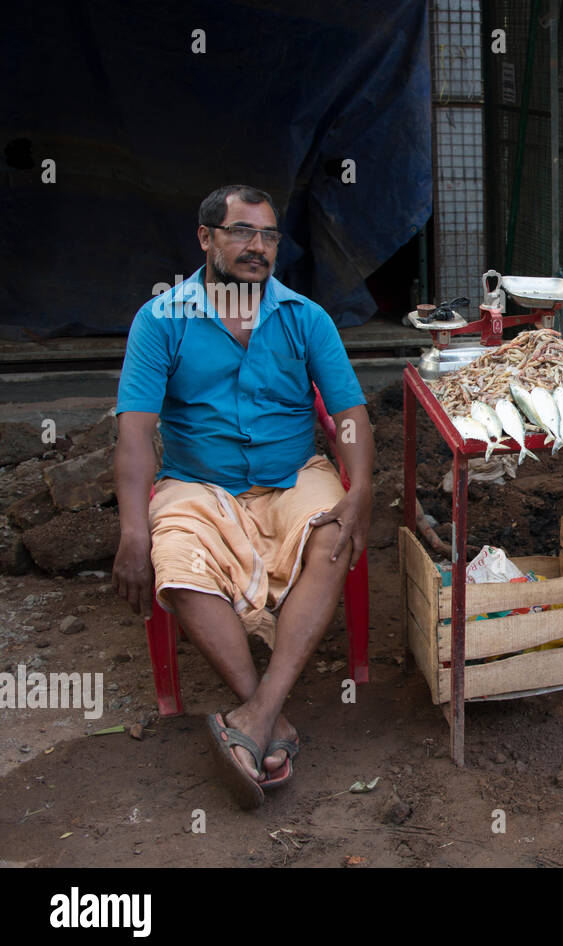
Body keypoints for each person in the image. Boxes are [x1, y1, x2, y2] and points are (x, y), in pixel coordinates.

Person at [112, 185, 374, 809]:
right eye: (241, 232)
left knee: (333, 533)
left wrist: (361, 484)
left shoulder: (306, 317)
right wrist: (131, 529)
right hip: (197, 481)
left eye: (268, 236)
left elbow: (350, 415)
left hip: (292, 472)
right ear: (205, 238)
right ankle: (270, 716)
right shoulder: (161, 320)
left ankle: (254, 717)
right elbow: (135, 430)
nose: (257, 248)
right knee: (175, 559)